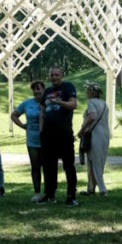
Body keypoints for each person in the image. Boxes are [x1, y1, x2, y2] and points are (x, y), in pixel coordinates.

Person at [38, 66, 78, 206]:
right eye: (52, 75)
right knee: (49, 165)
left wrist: (59, 102)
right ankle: (50, 194)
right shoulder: (47, 91)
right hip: (48, 134)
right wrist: (41, 131)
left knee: (68, 164)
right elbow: (42, 111)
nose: (54, 77)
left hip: (64, 132)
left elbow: (73, 104)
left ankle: (71, 195)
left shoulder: (67, 87)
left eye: (56, 75)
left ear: (62, 75)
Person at [12, 80, 45, 201]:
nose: (36, 91)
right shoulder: (27, 103)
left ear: (44, 90)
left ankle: (48, 193)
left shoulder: (48, 102)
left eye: (39, 89)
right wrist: (23, 126)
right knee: (35, 167)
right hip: (32, 140)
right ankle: (37, 192)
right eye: (34, 89)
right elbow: (14, 115)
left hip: (46, 140)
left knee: (47, 167)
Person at [77, 81, 110, 196]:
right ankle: (91, 188)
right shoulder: (104, 104)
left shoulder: (91, 103)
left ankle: (102, 189)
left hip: (95, 134)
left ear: (91, 92)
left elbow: (92, 117)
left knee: (94, 162)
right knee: (98, 161)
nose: (86, 93)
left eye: (87, 91)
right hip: (105, 134)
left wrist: (82, 131)